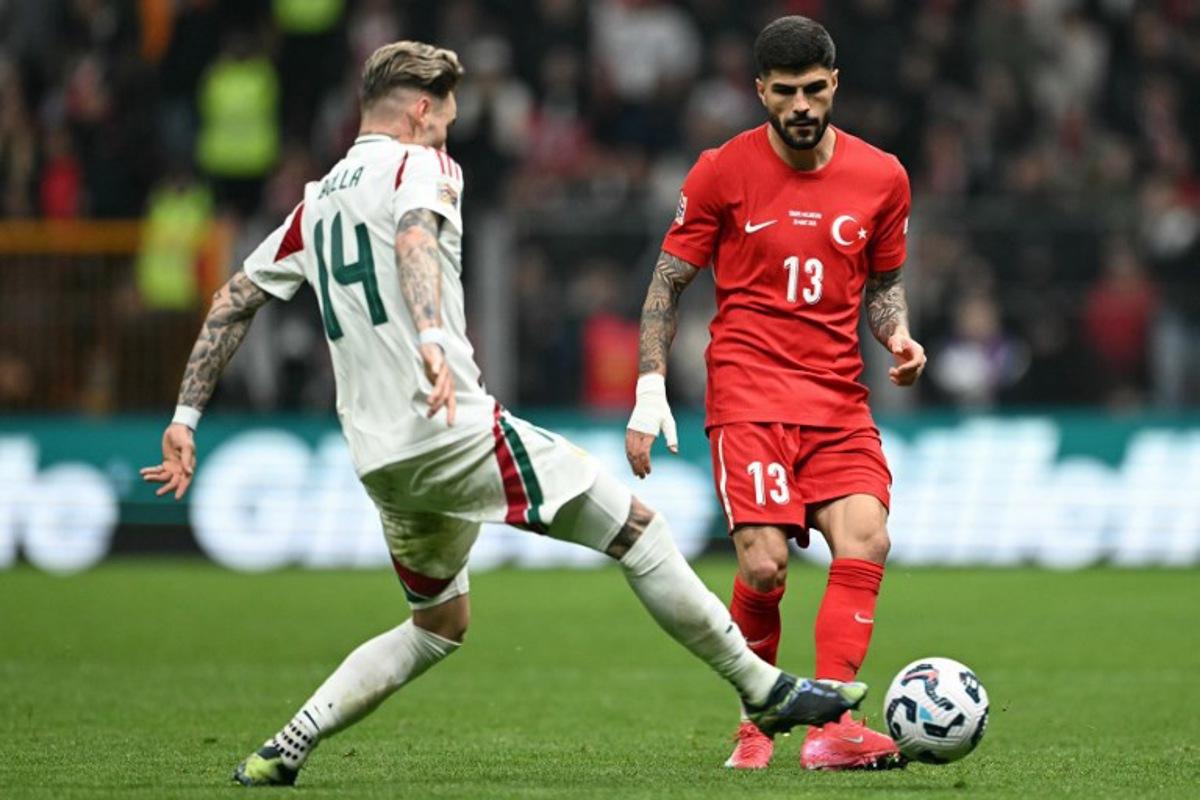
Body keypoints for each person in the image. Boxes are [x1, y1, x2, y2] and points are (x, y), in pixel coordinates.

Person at [139, 40, 865, 787]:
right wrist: (428, 335)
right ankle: (766, 691)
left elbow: (235, 299)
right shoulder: (419, 164)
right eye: (446, 115)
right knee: (638, 533)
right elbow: (416, 237)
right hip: (449, 425)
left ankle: (285, 746)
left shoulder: (316, 200)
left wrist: (185, 419)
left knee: (438, 625)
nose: (450, 130)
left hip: (379, 460)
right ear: (420, 111)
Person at [625, 16, 926, 772]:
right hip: (749, 395)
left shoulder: (883, 176)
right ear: (760, 90)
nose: (800, 105)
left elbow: (883, 287)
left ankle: (835, 728)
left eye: (814, 90)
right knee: (763, 568)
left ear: (835, 86)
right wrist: (650, 384)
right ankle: (758, 720)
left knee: (868, 538)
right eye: (785, 91)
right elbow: (668, 282)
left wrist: (898, 337)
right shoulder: (721, 171)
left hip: (838, 399)